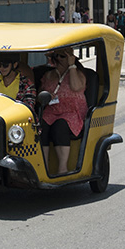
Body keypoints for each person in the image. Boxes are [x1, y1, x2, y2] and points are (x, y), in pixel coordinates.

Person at [38, 48, 94, 176]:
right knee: (41, 126)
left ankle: (62, 168)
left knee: (60, 126)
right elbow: (40, 95)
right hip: (52, 110)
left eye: (62, 57)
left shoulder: (77, 73)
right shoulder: (48, 75)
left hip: (73, 111)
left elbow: (76, 87)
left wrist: (71, 65)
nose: (58, 59)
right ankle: (44, 167)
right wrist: (47, 96)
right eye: (55, 56)